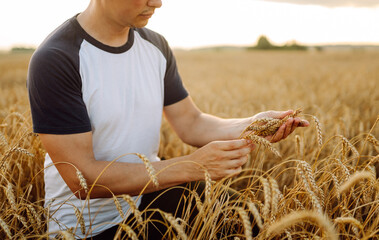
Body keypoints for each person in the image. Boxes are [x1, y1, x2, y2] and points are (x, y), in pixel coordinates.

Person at [27, 0, 309, 239]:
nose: (157, 2)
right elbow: (84, 180)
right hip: (86, 227)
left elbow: (191, 123)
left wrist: (254, 125)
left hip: (147, 197)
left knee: (249, 220)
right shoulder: (57, 59)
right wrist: (192, 166)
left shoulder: (155, 45)